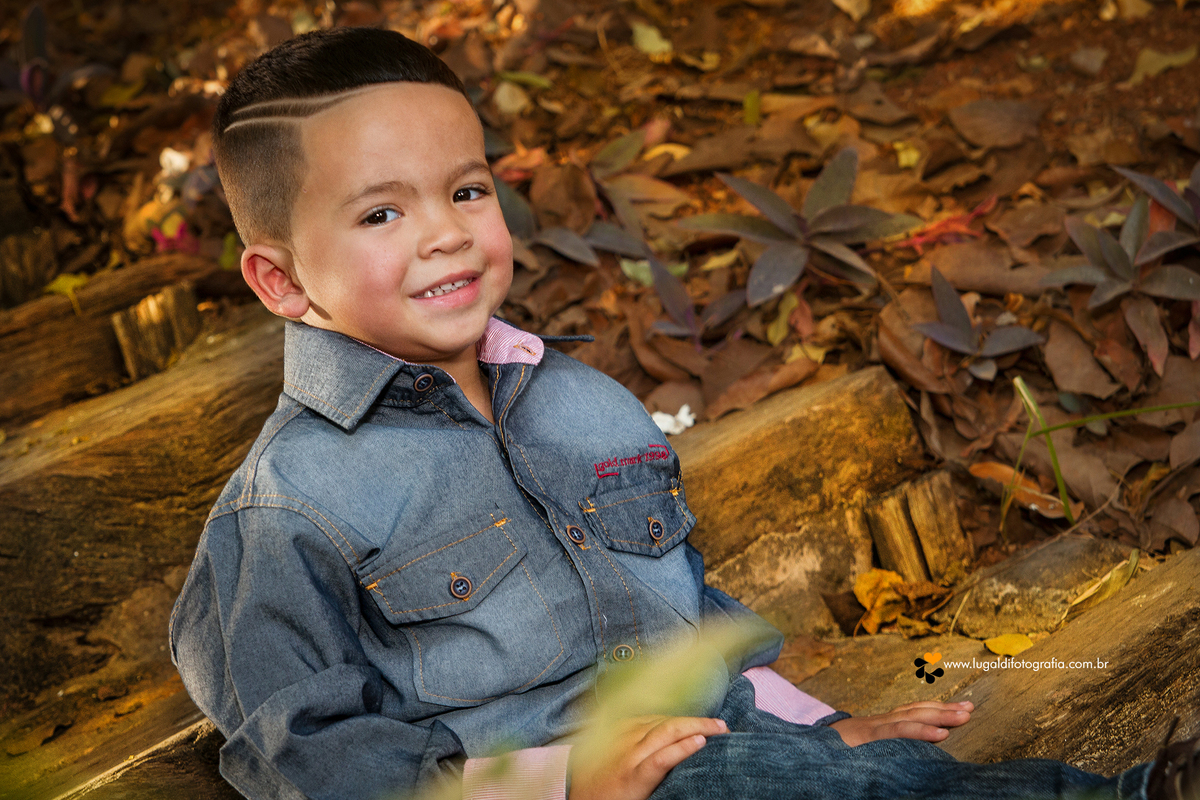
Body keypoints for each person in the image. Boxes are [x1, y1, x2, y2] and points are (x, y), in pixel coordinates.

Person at [169, 25, 1199, 800]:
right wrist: (557, 781)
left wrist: (824, 729)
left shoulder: (582, 405)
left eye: (469, 190)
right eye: (383, 211)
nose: (444, 233)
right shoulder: (291, 504)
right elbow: (296, 749)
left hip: (724, 757)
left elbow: (687, 618)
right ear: (280, 281)